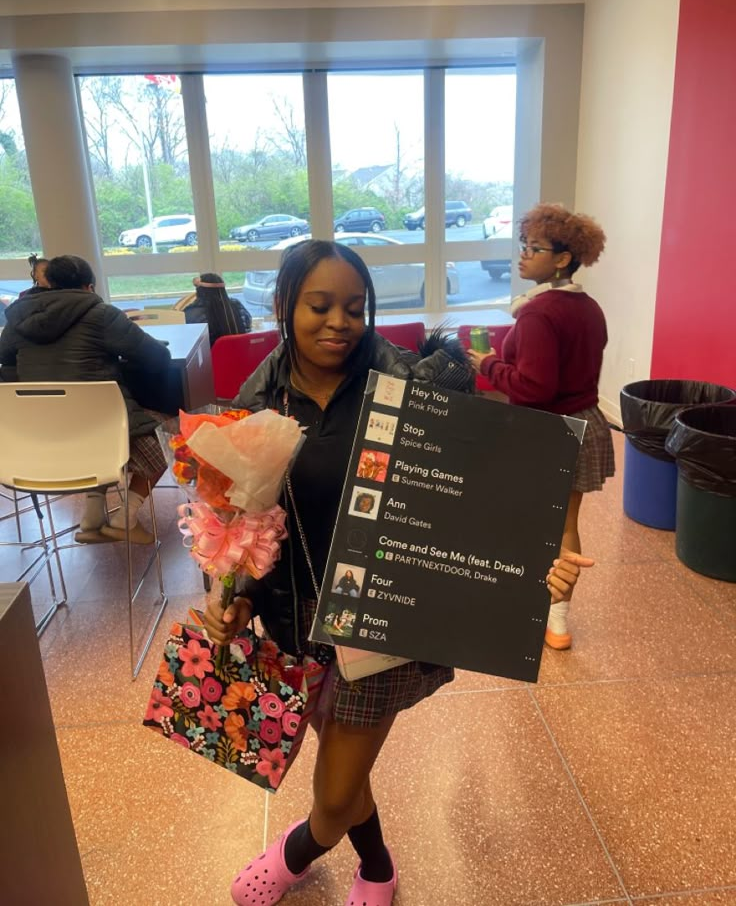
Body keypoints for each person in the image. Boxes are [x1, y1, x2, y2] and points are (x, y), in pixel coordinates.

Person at [203, 238, 593, 906]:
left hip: (382, 622)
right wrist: (232, 593)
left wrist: (542, 555)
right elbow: (242, 517)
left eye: (355, 307)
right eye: (319, 306)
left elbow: (479, 486)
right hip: (296, 617)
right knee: (347, 773)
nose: (339, 323)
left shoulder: (407, 384)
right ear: (283, 306)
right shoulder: (255, 398)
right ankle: (378, 868)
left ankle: (295, 851)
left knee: (331, 795)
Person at [469, 202, 614, 651]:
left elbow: (534, 389)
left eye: (535, 248)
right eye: (524, 245)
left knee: (522, 524)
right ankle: (557, 621)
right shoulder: (588, 307)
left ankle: (518, 605)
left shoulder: (537, 314)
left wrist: (489, 363)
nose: (523, 254)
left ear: (563, 258)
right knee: (564, 524)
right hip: (585, 423)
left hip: (544, 433)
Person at [0, 255, 172, 545]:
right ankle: (125, 518)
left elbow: (5, 362)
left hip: (37, 441)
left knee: (93, 429)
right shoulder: (101, 314)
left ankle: (92, 518)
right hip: (99, 435)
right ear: (89, 287)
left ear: (48, 283)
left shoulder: (18, 318)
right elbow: (156, 358)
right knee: (170, 435)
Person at [183, 272, 252, 346]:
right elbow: (247, 326)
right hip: (241, 354)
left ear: (199, 291)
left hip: (211, 356)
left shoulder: (192, 312)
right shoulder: (237, 305)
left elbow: (189, 340)